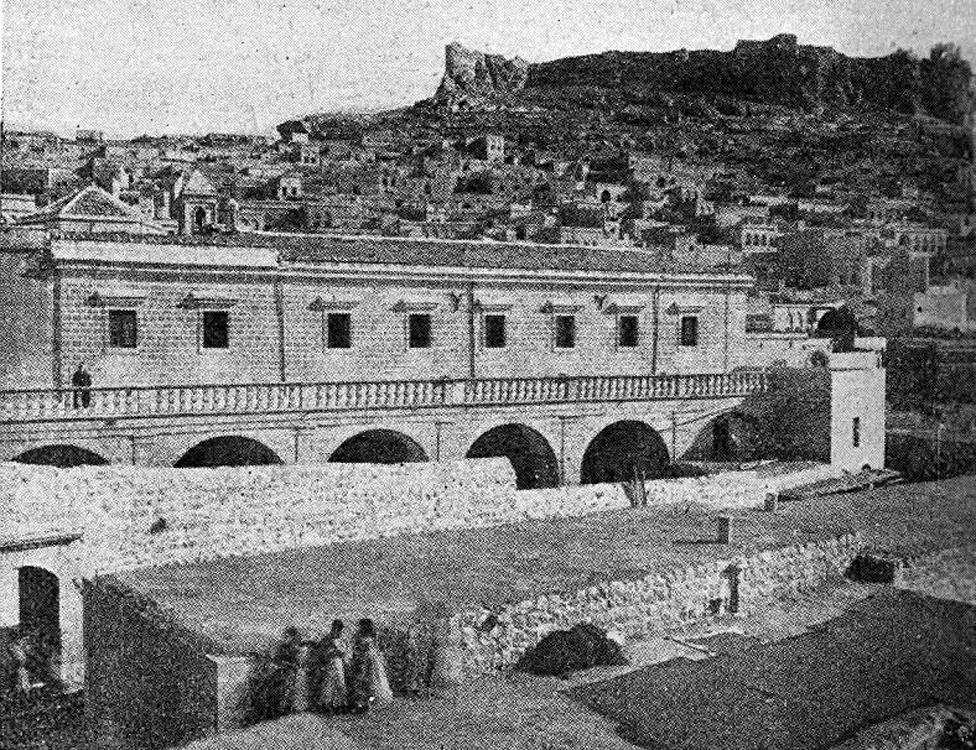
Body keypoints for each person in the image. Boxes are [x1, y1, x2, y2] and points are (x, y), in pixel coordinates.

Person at [348, 618, 392, 712]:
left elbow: (376, 646)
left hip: (370, 659)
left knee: (372, 681)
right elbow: (355, 648)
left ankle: (369, 703)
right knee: (363, 681)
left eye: (361, 626)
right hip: (364, 659)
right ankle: (363, 703)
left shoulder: (371, 635)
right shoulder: (358, 636)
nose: (359, 627)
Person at [312, 620, 348, 714]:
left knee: (340, 682)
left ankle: (340, 704)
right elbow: (321, 651)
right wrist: (329, 652)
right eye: (334, 628)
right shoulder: (327, 638)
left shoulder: (342, 639)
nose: (335, 630)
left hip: (338, 662)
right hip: (330, 662)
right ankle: (327, 704)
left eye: (337, 628)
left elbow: (344, 652)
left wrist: (338, 652)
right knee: (329, 682)